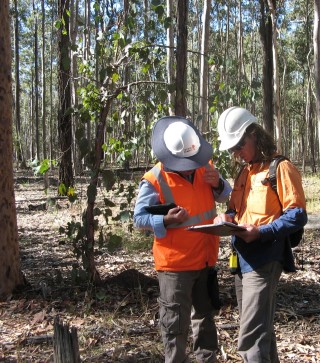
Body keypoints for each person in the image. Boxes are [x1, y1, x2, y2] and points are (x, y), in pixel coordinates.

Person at [133, 116, 232, 363]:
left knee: (205, 319)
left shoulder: (203, 164)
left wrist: (219, 183)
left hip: (206, 259)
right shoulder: (154, 179)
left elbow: (225, 196)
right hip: (175, 266)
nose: (190, 166)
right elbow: (138, 219)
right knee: (175, 326)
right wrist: (165, 220)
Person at [214, 106, 308, 363]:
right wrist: (226, 219)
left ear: (254, 135)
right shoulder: (245, 172)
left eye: (239, 146)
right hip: (241, 259)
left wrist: (262, 232)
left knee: (250, 338)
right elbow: (234, 209)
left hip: (265, 259)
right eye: (232, 149)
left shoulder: (281, 168)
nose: (236, 153)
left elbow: (297, 215)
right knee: (261, 332)